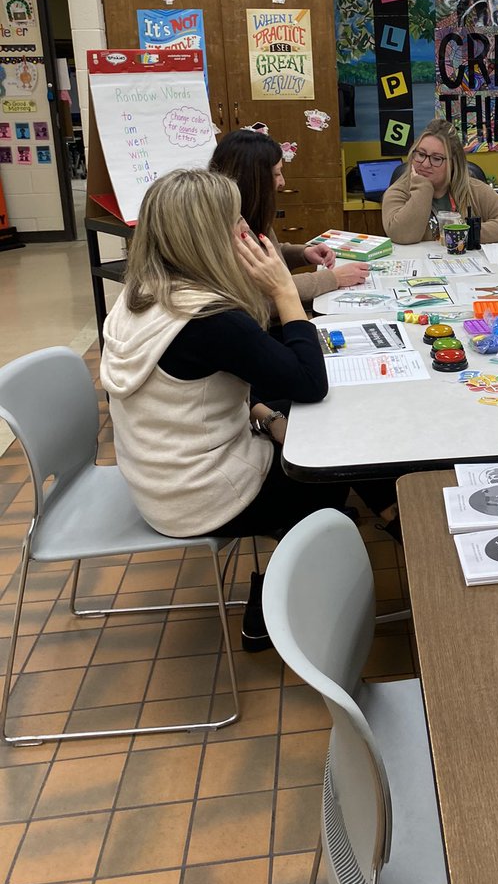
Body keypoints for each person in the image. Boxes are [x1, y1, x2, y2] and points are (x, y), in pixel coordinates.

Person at [100, 169, 349, 649]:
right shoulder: (211, 319)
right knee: (332, 467)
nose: (246, 231)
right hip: (205, 498)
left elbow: (197, 391)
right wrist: (281, 289)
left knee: (283, 407)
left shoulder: (142, 294)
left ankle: (297, 560)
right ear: (209, 238)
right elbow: (310, 382)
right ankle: (279, 595)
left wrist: (266, 415)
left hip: (160, 479)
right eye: (234, 222)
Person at [209, 128, 369, 301]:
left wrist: (303, 254)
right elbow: (266, 295)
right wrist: (334, 278)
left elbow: (266, 253)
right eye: (276, 174)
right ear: (253, 179)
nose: (282, 182)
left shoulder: (246, 211)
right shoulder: (230, 228)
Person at [382, 118, 498, 244]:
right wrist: (422, 188)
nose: (425, 164)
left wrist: (464, 234)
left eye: (436, 158)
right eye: (421, 154)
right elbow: (402, 235)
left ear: (453, 163)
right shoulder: (398, 192)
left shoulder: (474, 189)